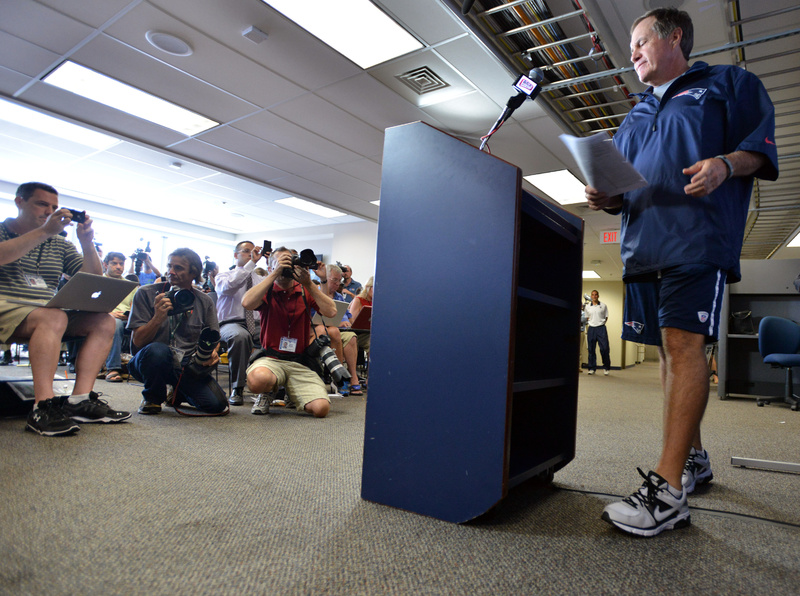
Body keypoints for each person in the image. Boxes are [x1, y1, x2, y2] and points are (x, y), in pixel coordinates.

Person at [585, 8, 778, 537]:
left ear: (674, 38)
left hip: (698, 236)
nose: (632, 53)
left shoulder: (725, 83)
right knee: (671, 352)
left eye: (640, 41)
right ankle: (694, 459)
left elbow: (759, 150)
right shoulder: (637, 114)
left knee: (685, 347)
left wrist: (725, 164)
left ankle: (668, 493)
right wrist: (604, 197)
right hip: (644, 246)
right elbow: (618, 189)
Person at [0, 182, 130, 436]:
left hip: (46, 312)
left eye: (54, 207)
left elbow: (93, 275)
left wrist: (86, 242)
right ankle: (43, 406)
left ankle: (80, 400)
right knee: (53, 317)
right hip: (6, 306)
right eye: (41, 204)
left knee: (103, 321)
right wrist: (45, 232)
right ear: (19, 202)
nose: (49, 211)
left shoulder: (59, 244)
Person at [126, 247, 227, 415]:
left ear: (193, 273)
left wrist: (213, 351)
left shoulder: (204, 301)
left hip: (186, 366)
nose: (171, 272)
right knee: (158, 350)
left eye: (178, 268)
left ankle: (179, 391)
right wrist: (158, 317)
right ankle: (152, 397)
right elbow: (138, 342)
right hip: (148, 361)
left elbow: (213, 337)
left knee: (216, 405)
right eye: (169, 266)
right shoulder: (146, 293)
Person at [243, 247, 337, 418]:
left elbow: (331, 312)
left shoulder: (304, 289)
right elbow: (247, 303)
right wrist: (274, 274)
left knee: (321, 409)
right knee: (259, 380)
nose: (285, 267)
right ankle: (267, 392)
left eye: (288, 262)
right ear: (270, 267)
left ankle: (292, 393)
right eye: (279, 262)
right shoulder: (268, 289)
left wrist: (309, 282)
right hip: (271, 359)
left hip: (299, 361)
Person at [214, 240, 266, 405]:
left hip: (257, 324)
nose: (251, 254)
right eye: (246, 251)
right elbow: (231, 286)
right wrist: (251, 264)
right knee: (240, 337)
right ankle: (238, 388)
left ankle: (270, 386)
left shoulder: (260, 278)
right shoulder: (224, 276)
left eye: (253, 251)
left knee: (275, 338)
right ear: (236, 255)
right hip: (230, 324)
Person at [316, 264, 364, 396]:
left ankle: (353, 376)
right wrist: (337, 323)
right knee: (334, 332)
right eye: (334, 280)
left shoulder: (339, 297)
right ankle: (340, 377)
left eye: (339, 281)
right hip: (322, 330)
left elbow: (348, 317)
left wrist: (348, 322)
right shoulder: (316, 292)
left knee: (352, 337)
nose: (338, 283)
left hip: (340, 331)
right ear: (325, 278)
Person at [101, 251, 138, 383]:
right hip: (105, 318)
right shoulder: (99, 281)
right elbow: (92, 304)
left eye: (121, 264)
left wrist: (130, 317)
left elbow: (135, 307)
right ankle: (113, 368)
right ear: (105, 264)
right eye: (114, 263)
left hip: (127, 319)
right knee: (114, 323)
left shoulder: (131, 286)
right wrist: (109, 313)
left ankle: (141, 368)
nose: (119, 267)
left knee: (147, 325)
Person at [585, 290, 610, 376]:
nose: (594, 296)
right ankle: (592, 368)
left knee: (604, 349)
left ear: (598, 296)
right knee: (591, 349)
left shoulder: (603, 306)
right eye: (593, 295)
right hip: (591, 329)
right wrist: (593, 323)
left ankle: (606, 367)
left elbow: (606, 317)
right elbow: (587, 317)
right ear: (591, 296)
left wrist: (600, 323)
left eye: (596, 295)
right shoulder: (588, 307)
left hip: (601, 329)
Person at [347, 276, 373, 354]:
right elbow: (352, 320)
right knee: (373, 341)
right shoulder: (358, 300)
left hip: (369, 332)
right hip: (359, 334)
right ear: (368, 287)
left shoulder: (375, 301)